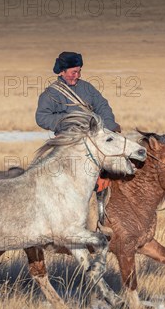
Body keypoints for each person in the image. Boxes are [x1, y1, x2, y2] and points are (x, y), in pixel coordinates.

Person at [36, 51, 120, 236]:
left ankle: (104, 214)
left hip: (93, 137)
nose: (77, 75)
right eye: (74, 71)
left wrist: (108, 126)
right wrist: (69, 121)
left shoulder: (88, 88)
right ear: (62, 71)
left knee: (116, 163)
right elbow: (42, 117)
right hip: (69, 139)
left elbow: (103, 107)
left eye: (79, 71)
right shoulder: (51, 94)